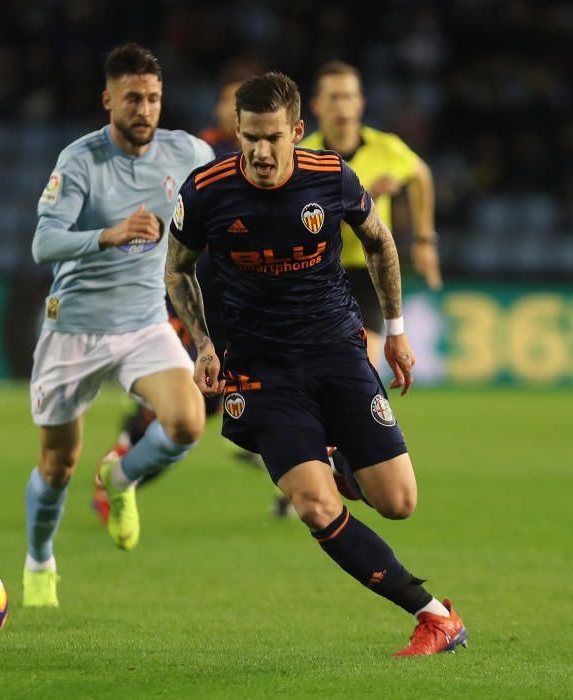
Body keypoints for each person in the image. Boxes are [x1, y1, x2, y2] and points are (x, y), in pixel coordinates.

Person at [164, 72, 466, 656]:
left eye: (273, 137)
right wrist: (203, 342)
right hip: (258, 369)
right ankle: (434, 616)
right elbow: (176, 269)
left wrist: (397, 333)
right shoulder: (206, 190)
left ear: (298, 132)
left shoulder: (331, 177)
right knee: (313, 504)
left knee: (399, 503)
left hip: (334, 350)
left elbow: (379, 241)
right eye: (248, 137)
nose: (259, 151)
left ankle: (339, 457)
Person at [23, 43, 214, 608]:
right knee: (57, 467)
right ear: (108, 100)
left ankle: (123, 478)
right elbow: (43, 243)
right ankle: (39, 560)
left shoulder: (189, 153)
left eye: (154, 98)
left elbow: (225, 206)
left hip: (144, 323)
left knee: (186, 421)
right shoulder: (80, 161)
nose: (145, 109)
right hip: (74, 328)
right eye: (133, 97)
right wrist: (107, 234)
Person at [90, 78, 245, 525]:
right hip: (183, 294)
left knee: (210, 404)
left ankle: (126, 458)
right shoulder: (194, 155)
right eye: (227, 102)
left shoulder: (267, 162)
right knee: (187, 405)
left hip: (233, 306)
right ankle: (124, 459)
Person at [300, 60, 442, 368]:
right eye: (334, 97)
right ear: (316, 105)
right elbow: (302, 221)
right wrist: (364, 197)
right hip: (318, 272)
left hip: (369, 271)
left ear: (361, 102)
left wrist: (424, 240)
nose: (343, 105)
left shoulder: (386, 148)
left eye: (349, 96)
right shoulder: (303, 157)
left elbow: (421, 176)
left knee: (362, 366)